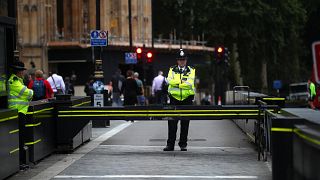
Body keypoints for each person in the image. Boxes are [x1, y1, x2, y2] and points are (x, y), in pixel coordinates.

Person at [163, 49, 196, 151]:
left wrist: (176, 82)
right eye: (180, 60)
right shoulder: (172, 69)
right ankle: (170, 144)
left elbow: (190, 84)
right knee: (172, 122)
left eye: (184, 60)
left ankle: (183, 144)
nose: (182, 61)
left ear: (186, 60)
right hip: (174, 99)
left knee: (185, 122)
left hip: (187, 99)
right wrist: (182, 83)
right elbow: (168, 81)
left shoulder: (191, 70)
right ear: (177, 60)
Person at [8, 60, 33, 167]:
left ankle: (21, 161)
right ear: (18, 71)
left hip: (20, 112)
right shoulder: (14, 81)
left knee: (21, 137)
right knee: (20, 138)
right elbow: (28, 93)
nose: (23, 72)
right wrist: (30, 92)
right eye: (22, 70)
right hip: (18, 112)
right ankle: (20, 162)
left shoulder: (19, 81)